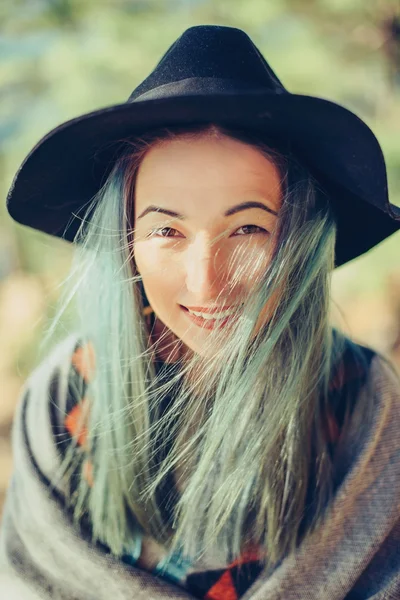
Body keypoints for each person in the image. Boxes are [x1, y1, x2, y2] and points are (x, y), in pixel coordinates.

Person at [1, 24, 400, 600]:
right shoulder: (63, 400)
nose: (206, 279)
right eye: (166, 228)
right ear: (126, 241)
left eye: (247, 228)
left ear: (297, 237)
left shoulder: (360, 400)